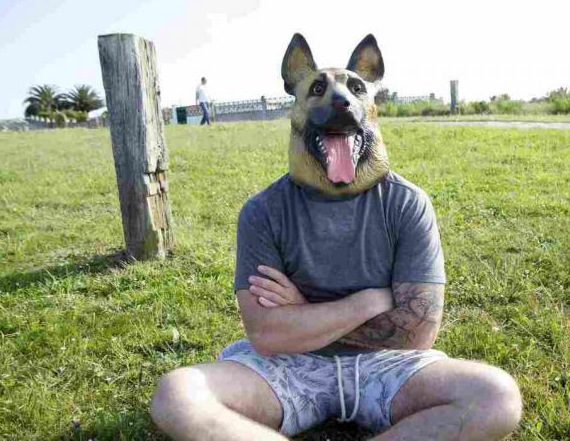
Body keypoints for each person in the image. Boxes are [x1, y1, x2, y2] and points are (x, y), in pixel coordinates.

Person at [150, 34, 522, 440]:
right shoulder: (262, 211)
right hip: (287, 366)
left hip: (387, 363)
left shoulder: (407, 203)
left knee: (496, 397)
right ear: (295, 108)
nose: (340, 98)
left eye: (355, 88)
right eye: (317, 90)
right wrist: (371, 301)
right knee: (178, 395)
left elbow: (417, 332)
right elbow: (267, 334)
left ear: (372, 107)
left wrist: (302, 311)